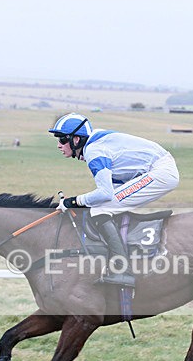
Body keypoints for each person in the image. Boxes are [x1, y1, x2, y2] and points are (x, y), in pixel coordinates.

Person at [49, 113, 180, 287]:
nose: (59, 145)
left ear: (76, 140)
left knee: (100, 209)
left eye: (62, 140)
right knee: (102, 205)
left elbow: (105, 193)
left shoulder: (94, 151)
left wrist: (73, 201)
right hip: (157, 168)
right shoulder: (94, 142)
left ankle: (123, 270)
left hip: (160, 172)